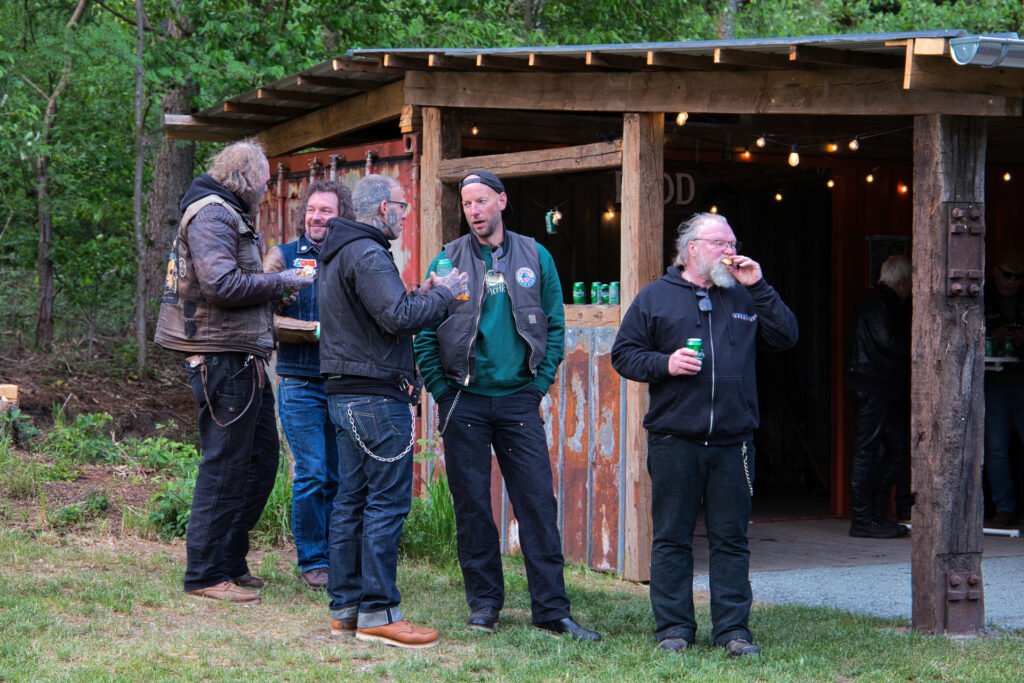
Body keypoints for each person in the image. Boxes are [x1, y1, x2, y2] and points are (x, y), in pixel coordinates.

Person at [414, 169, 601, 642]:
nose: (473, 211)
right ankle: (484, 605)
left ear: (501, 200)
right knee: (473, 506)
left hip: (518, 401)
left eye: (480, 201)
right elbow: (423, 330)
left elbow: (555, 327)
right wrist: (441, 389)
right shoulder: (447, 260)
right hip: (465, 402)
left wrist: (537, 385)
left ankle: (552, 610)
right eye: (466, 204)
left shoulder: (536, 256)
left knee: (536, 504)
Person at [611, 212, 797, 656]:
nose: (730, 251)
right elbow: (624, 355)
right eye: (719, 243)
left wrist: (759, 285)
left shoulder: (744, 296)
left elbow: (787, 336)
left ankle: (733, 631)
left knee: (731, 539)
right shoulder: (656, 297)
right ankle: (674, 629)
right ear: (692, 248)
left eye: (732, 242)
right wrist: (665, 364)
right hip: (675, 438)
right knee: (672, 536)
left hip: (734, 442)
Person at [155, 139, 314, 603]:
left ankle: (228, 559)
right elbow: (221, 283)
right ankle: (204, 574)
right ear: (247, 178)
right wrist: (280, 281)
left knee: (262, 460)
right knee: (225, 463)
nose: (267, 188)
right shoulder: (212, 214)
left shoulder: (227, 211)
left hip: (242, 353)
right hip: (221, 355)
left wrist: (270, 293)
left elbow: (233, 284)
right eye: (265, 180)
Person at [319, 173, 466, 649]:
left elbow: (387, 314)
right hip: (376, 400)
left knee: (350, 502)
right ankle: (379, 612)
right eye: (401, 206)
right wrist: (443, 294)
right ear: (383, 209)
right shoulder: (367, 252)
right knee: (385, 503)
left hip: (346, 395)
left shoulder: (342, 249)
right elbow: (398, 318)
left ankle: (346, 610)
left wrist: (421, 294)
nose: (404, 215)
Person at [263, 180, 353, 589]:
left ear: (342, 215)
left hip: (342, 381)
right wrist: (315, 330)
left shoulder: (351, 255)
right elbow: (262, 319)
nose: (317, 217)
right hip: (299, 381)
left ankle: (339, 556)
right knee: (313, 473)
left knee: (338, 474)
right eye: (312, 210)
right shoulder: (282, 256)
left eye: (326, 211)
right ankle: (313, 560)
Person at [845, 254, 913, 538]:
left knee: (896, 449)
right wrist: (919, 346)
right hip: (874, 385)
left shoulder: (877, 300)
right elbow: (888, 342)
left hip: (874, 384)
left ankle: (875, 513)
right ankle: (863, 519)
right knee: (868, 450)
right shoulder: (880, 302)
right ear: (904, 282)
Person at [984, 251, 1024, 527]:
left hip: (1021, 375)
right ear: (995, 271)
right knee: (996, 448)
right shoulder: (979, 296)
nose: (1014, 282)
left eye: (1019, 277)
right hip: (994, 379)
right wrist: (990, 333)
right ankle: (1004, 507)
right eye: (1009, 275)